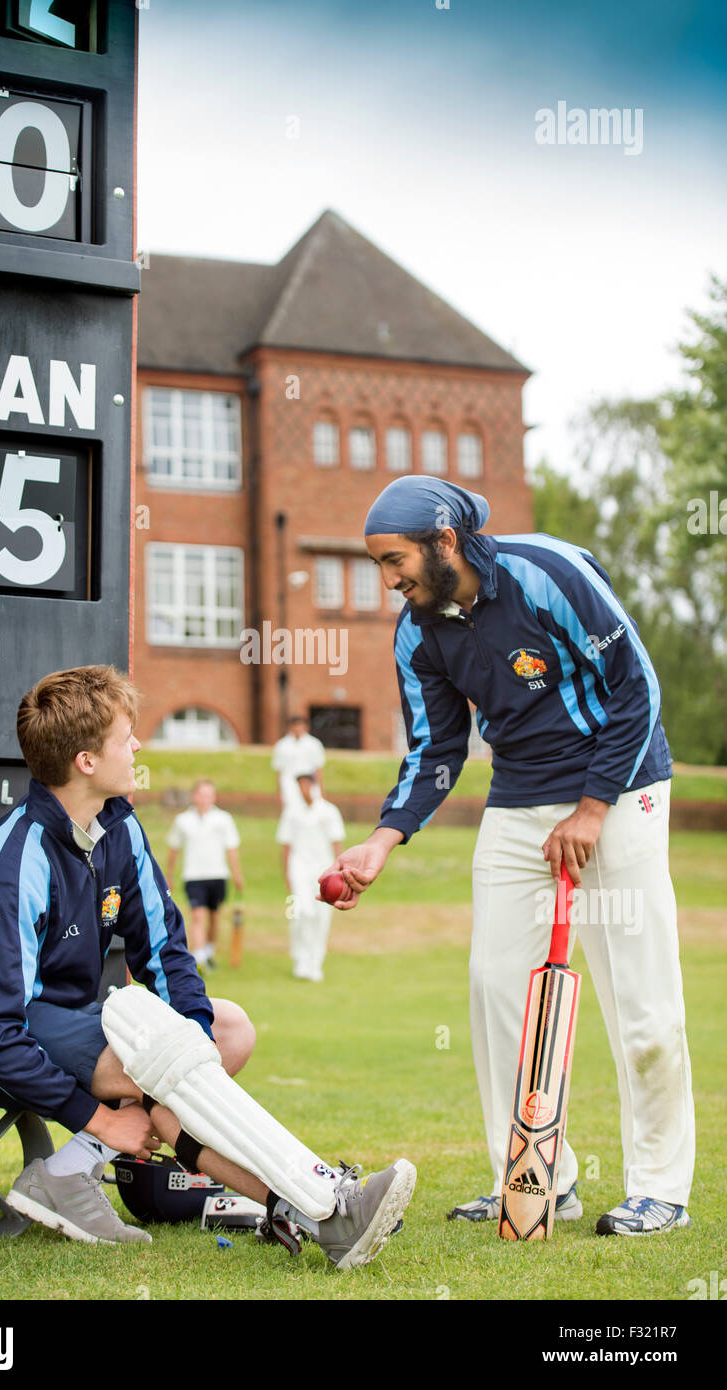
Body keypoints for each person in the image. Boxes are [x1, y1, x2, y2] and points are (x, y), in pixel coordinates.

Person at [0, 665, 415, 1265]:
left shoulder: (118, 827)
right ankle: (328, 1206)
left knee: (226, 1030)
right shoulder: (18, 857)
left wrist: (194, 1050)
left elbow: (166, 952)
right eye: (127, 737)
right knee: (171, 1070)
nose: (139, 746)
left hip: (63, 1016)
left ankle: (72, 1174)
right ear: (86, 761)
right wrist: (99, 1119)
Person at [323, 476, 694, 1238]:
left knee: (641, 1004)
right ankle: (533, 1180)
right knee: (496, 989)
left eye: (393, 561)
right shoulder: (416, 631)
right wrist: (381, 839)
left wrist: (593, 807)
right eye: (378, 566)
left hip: (620, 792)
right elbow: (435, 749)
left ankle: (659, 1187)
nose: (387, 579)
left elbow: (637, 687)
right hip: (518, 801)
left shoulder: (546, 572)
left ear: (444, 542)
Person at [166, 779, 243, 970]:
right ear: (194, 796)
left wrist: (237, 874)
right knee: (198, 916)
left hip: (217, 874)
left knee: (214, 917)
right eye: (201, 794)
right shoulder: (182, 820)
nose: (205, 799)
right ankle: (199, 957)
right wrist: (169, 876)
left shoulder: (223, 819)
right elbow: (174, 849)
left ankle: (209, 951)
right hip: (193, 875)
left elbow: (231, 848)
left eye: (209, 795)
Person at [277, 770, 345, 981]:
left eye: (306, 784)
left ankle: (315, 962)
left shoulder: (328, 811)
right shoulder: (292, 812)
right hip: (298, 868)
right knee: (300, 913)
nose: (303, 789)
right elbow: (286, 845)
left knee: (321, 916)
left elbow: (337, 844)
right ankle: (300, 959)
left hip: (324, 870)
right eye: (300, 785)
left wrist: (340, 875)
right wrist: (287, 874)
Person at [271, 714, 326, 810]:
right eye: (295, 726)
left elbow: (318, 768)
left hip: (309, 782)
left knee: (312, 807)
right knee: (290, 808)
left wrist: (321, 788)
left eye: (300, 725)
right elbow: (279, 769)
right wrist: (278, 791)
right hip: (289, 782)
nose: (298, 728)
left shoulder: (314, 744)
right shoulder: (282, 745)